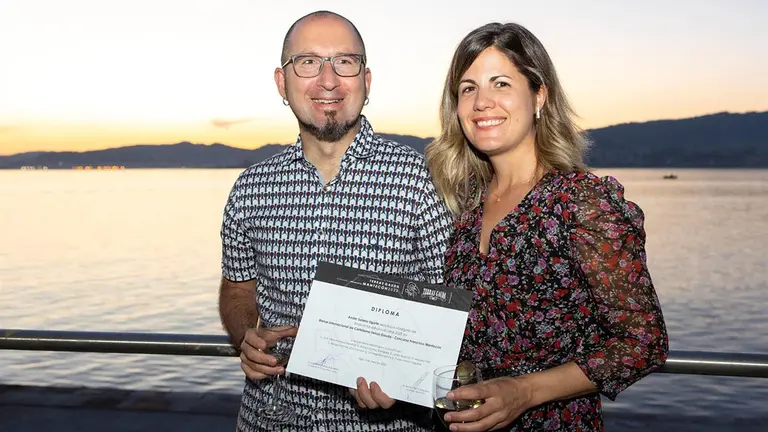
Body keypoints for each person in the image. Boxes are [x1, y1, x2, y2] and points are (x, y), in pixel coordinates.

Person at [423, 22, 669, 431]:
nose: (482, 102)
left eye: (500, 83)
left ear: (539, 96)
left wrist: (526, 391)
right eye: (468, 88)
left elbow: (643, 342)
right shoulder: (465, 205)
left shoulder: (582, 203)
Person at [217, 10, 452, 432]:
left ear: (366, 80)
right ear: (281, 83)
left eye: (345, 61)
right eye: (307, 62)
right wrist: (244, 338)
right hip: (269, 421)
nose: (328, 80)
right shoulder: (249, 189)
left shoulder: (423, 183)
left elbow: (451, 307)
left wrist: (410, 374)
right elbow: (238, 289)